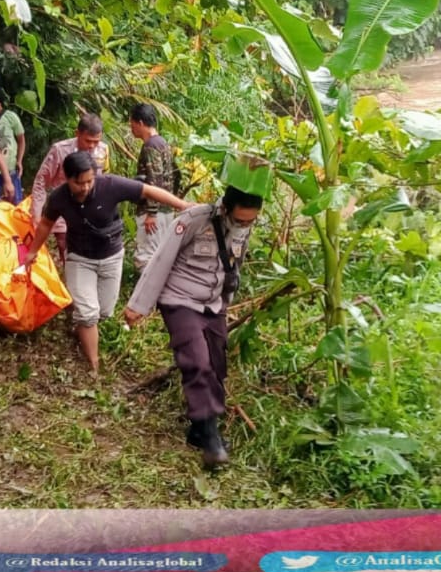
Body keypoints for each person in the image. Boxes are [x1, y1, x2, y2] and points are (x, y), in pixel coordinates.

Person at [124, 186, 264, 469]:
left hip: (212, 303)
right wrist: (139, 304)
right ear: (225, 207)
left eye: (250, 221)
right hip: (179, 298)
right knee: (197, 362)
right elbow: (161, 260)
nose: (244, 226)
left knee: (216, 364)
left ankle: (198, 430)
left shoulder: (244, 227)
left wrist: (225, 303)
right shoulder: (193, 220)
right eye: (240, 220)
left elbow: (235, 265)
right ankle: (211, 440)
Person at [22, 151, 190, 373]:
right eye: (79, 183)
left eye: (89, 181)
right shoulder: (59, 198)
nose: (85, 187)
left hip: (111, 256)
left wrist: (183, 206)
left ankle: (82, 328)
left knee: (104, 311)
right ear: (67, 178)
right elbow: (45, 224)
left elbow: (149, 191)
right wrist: (33, 251)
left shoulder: (110, 185)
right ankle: (94, 365)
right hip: (79, 258)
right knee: (87, 313)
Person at [30, 114, 109, 263]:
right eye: (88, 141)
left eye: (96, 142)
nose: (92, 146)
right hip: (64, 207)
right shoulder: (59, 150)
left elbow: (104, 179)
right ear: (77, 133)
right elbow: (41, 181)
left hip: (90, 208)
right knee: (65, 245)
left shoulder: (103, 151)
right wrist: (36, 213)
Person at [130, 103, 176, 270]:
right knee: (159, 255)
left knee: (146, 258)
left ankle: (147, 295)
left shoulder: (151, 146)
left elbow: (154, 179)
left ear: (141, 123)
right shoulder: (163, 143)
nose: (131, 128)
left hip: (155, 213)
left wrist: (152, 213)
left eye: (132, 124)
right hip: (166, 210)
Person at [0, 91, 26, 202]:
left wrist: (19, 161)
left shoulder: (11, 117)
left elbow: (21, 140)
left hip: (10, 168)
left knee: (14, 203)